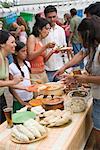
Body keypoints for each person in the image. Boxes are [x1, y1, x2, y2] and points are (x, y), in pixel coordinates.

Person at [55, 15, 100, 149]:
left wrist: (84, 78)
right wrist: (64, 67)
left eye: (79, 35)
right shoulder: (93, 45)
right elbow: (80, 54)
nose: (78, 38)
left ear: (87, 35)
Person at [0, 30, 23, 123]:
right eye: (12, 42)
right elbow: (8, 82)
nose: (15, 45)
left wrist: (26, 88)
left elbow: (6, 83)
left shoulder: (5, 59)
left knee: (5, 124)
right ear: (2, 44)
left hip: (1, 97)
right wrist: (13, 82)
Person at [27, 16, 57, 83]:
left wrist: (52, 51)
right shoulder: (32, 38)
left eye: (49, 29)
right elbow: (30, 56)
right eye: (46, 29)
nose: (48, 31)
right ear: (39, 29)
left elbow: (44, 60)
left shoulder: (41, 41)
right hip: (34, 74)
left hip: (43, 72)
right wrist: (45, 47)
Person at [42, 5, 68, 82]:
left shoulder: (61, 30)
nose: (52, 19)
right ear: (45, 17)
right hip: (47, 68)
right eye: (49, 17)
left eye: (54, 17)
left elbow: (64, 46)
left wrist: (63, 50)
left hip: (60, 67)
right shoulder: (42, 32)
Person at [9, 41, 33, 113]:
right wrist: (21, 101)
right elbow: (11, 87)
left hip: (30, 97)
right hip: (19, 101)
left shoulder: (27, 64)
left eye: (26, 50)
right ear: (16, 52)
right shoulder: (11, 67)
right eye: (23, 51)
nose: (25, 53)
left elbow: (30, 80)